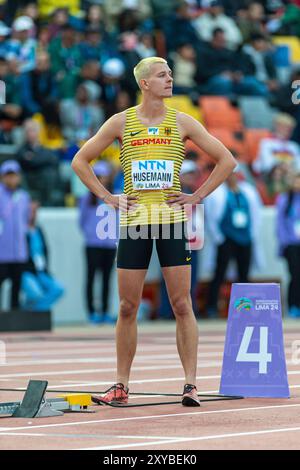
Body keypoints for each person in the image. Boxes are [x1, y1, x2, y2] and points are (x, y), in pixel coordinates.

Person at [71, 56, 236, 407]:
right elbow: (79, 161)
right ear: (144, 83)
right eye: (162, 75)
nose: (170, 79)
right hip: (133, 226)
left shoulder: (183, 122)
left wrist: (197, 196)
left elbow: (228, 161)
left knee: (180, 303)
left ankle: (191, 384)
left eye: (171, 74)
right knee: (128, 307)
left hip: (172, 222)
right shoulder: (121, 122)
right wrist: (107, 196)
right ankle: (120, 385)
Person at [205, 168, 262, 317]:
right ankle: (212, 307)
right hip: (226, 238)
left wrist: (252, 235)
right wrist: (219, 238)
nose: (232, 177)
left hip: (244, 238)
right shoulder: (217, 193)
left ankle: (245, 309)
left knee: (244, 274)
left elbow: (256, 214)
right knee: (219, 273)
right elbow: (211, 217)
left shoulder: (248, 191)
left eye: (234, 174)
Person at [78, 161, 117, 324]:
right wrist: (91, 235)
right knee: (91, 277)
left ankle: (105, 312)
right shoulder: (87, 199)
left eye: (104, 177)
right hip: (93, 244)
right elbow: (81, 221)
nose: (102, 180)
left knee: (107, 279)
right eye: (98, 177)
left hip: (110, 245)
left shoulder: (115, 196)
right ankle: (91, 312)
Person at [21, 201, 64, 312]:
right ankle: (27, 312)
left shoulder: (38, 229)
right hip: (26, 271)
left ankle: (33, 312)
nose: (33, 214)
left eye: (35, 211)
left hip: (41, 271)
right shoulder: (21, 230)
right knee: (35, 294)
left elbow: (45, 251)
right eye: (31, 211)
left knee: (58, 289)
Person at [0, 160, 31, 309]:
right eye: (8, 175)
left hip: (19, 251)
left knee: (16, 287)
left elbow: (25, 221)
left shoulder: (24, 196)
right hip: (2, 251)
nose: (11, 179)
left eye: (14, 175)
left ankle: (14, 319)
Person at [276, 172, 300, 318]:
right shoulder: (285, 199)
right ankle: (293, 306)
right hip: (291, 244)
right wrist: (284, 242)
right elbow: (279, 224)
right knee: (295, 275)